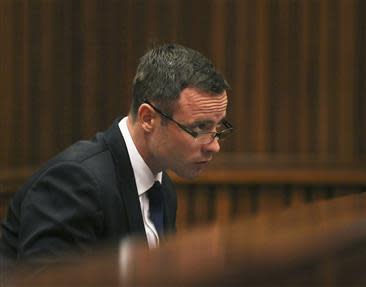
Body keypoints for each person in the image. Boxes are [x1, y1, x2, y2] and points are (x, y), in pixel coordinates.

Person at [0, 43, 232, 267]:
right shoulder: (75, 181)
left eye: (218, 128)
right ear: (148, 118)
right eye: (199, 128)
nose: (214, 146)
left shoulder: (162, 188)